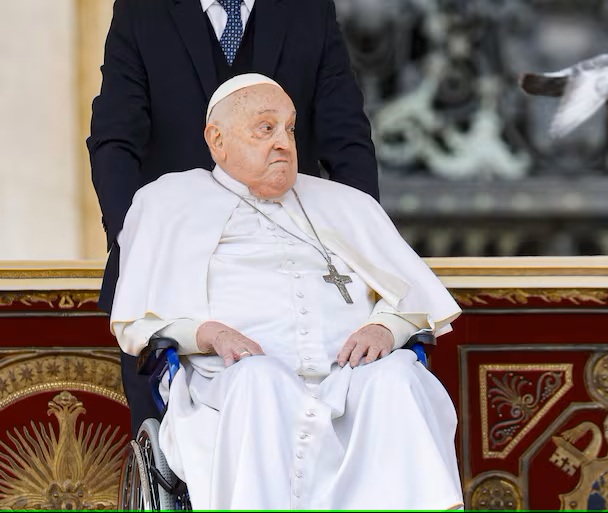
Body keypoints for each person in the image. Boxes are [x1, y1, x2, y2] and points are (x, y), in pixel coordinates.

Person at [110, 73, 463, 510]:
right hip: (231, 383)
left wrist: (386, 329)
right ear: (216, 139)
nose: (283, 141)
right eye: (265, 128)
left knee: (399, 378)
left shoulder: (345, 204)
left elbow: (413, 300)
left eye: (290, 128)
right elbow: (141, 323)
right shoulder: (169, 201)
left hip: (349, 381)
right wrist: (209, 333)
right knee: (260, 379)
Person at [87, 0, 379, 437]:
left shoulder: (308, 10)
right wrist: (143, 247)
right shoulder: (141, 9)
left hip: (297, 265)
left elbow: (348, 141)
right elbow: (115, 140)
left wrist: (361, 249)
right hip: (177, 274)